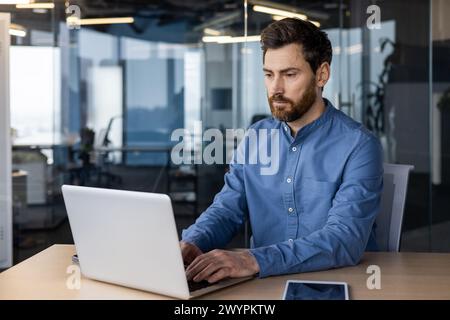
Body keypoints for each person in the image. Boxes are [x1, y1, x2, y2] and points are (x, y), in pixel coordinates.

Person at [181, 18, 383, 284]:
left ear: (321, 75)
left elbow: (343, 239)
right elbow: (227, 209)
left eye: (289, 75)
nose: (275, 89)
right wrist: (193, 242)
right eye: (268, 74)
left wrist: (252, 260)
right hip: (262, 283)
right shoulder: (255, 137)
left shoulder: (359, 145)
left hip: (335, 282)